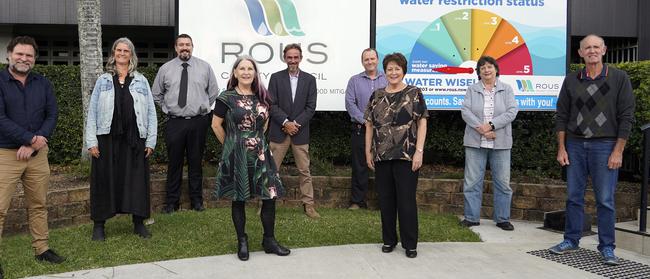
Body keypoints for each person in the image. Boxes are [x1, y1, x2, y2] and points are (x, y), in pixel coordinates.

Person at [549, 34, 635, 266]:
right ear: (580, 53)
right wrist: (562, 148)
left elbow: (626, 117)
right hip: (575, 145)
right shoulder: (571, 80)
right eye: (587, 47)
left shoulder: (619, 78)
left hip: (605, 146)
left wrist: (618, 151)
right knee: (573, 197)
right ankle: (571, 239)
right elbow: (562, 117)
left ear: (604, 50)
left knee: (605, 200)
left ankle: (607, 247)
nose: (592, 50)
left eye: (596, 47)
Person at [212, 56, 290, 261]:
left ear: (255, 73)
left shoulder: (262, 97)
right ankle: (242, 240)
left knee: (269, 196)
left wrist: (255, 141)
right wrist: (230, 146)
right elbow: (215, 125)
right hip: (236, 153)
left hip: (261, 153)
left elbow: (263, 125)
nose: (246, 72)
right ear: (235, 73)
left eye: (250, 69)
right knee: (239, 198)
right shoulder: (225, 97)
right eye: (242, 68)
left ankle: (269, 240)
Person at [0, 36, 64, 268]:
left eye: (29, 55)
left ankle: (42, 248)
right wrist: (28, 139)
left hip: (38, 155)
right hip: (5, 155)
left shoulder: (43, 83)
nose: (24, 59)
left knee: (38, 204)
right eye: (20, 54)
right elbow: (0, 119)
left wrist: (37, 142)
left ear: (34, 59)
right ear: (9, 54)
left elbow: (52, 115)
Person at [84, 37, 157, 241]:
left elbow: (151, 111)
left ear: (131, 54)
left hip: (134, 139)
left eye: (126, 51)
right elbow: (92, 112)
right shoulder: (103, 80)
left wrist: (150, 140)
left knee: (136, 181)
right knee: (103, 180)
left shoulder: (141, 80)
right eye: (119, 50)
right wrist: (91, 141)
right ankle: (99, 225)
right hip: (106, 138)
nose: (122, 54)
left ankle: (138, 223)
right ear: (114, 53)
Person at [364, 52, 428, 258]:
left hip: (407, 156)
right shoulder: (376, 95)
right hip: (382, 156)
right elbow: (369, 125)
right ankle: (389, 240)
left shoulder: (414, 93)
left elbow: (422, 122)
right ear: (385, 72)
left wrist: (419, 151)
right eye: (389, 69)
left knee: (406, 201)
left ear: (403, 71)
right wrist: (368, 151)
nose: (393, 73)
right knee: (386, 200)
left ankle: (410, 244)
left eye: (397, 69)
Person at [152, 34, 219, 213]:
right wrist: (167, 109)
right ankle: (171, 202)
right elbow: (156, 94)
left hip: (198, 122)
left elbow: (214, 92)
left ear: (192, 46)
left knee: (196, 162)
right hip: (175, 123)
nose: (185, 48)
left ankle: (196, 201)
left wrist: (203, 107)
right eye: (181, 45)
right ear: (176, 48)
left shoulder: (204, 67)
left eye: (187, 45)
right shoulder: (165, 69)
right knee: (174, 163)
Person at [459, 56, 518, 231]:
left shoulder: (506, 89)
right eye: (482, 67)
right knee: (471, 182)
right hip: (475, 141)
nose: (486, 70)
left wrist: (492, 126)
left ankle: (502, 219)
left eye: (489, 67)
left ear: (496, 69)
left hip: (500, 142)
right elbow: (465, 111)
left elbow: (512, 111)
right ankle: (471, 217)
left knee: (502, 182)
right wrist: (482, 129)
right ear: (479, 72)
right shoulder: (472, 89)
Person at [268, 44, 320, 219]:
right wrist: (285, 122)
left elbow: (310, 107)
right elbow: (271, 104)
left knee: (304, 171)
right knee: (271, 170)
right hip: (279, 131)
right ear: (285, 58)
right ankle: (266, 203)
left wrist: (294, 124)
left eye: (295, 57)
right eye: (289, 57)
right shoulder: (275, 78)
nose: (293, 60)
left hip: (300, 132)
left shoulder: (310, 80)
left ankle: (309, 205)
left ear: (301, 58)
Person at [345, 48, 387, 210]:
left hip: (384, 131)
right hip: (360, 129)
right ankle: (357, 201)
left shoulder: (387, 79)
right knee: (359, 166)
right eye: (366, 59)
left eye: (372, 59)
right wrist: (365, 121)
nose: (369, 62)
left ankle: (384, 202)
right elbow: (350, 104)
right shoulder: (354, 81)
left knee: (383, 167)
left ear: (377, 59)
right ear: (362, 62)